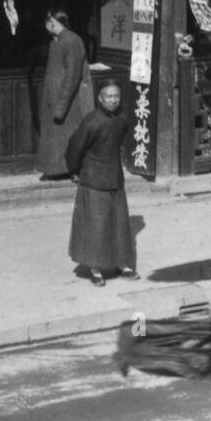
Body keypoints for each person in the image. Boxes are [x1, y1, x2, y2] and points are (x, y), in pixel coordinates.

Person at [65, 79, 138, 285]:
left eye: (116, 96)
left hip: (114, 177)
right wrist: (75, 170)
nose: (113, 100)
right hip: (94, 178)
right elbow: (74, 148)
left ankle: (121, 263)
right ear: (100, 99)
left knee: (119, 223)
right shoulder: (92, 121)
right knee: (96, 225)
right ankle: (95, 268)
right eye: (109, 96)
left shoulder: (122, 118)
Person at [37, 9, 94, 182]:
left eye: (47, 23)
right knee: (58, 137)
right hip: (56, 97)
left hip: (70, 100)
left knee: (70, 136)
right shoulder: (58, 41)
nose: (46, 27)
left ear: (53, 22)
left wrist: (61, 105)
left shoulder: (70, 40)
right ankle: (57, 170)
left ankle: (73, 170)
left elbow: (72, 74)